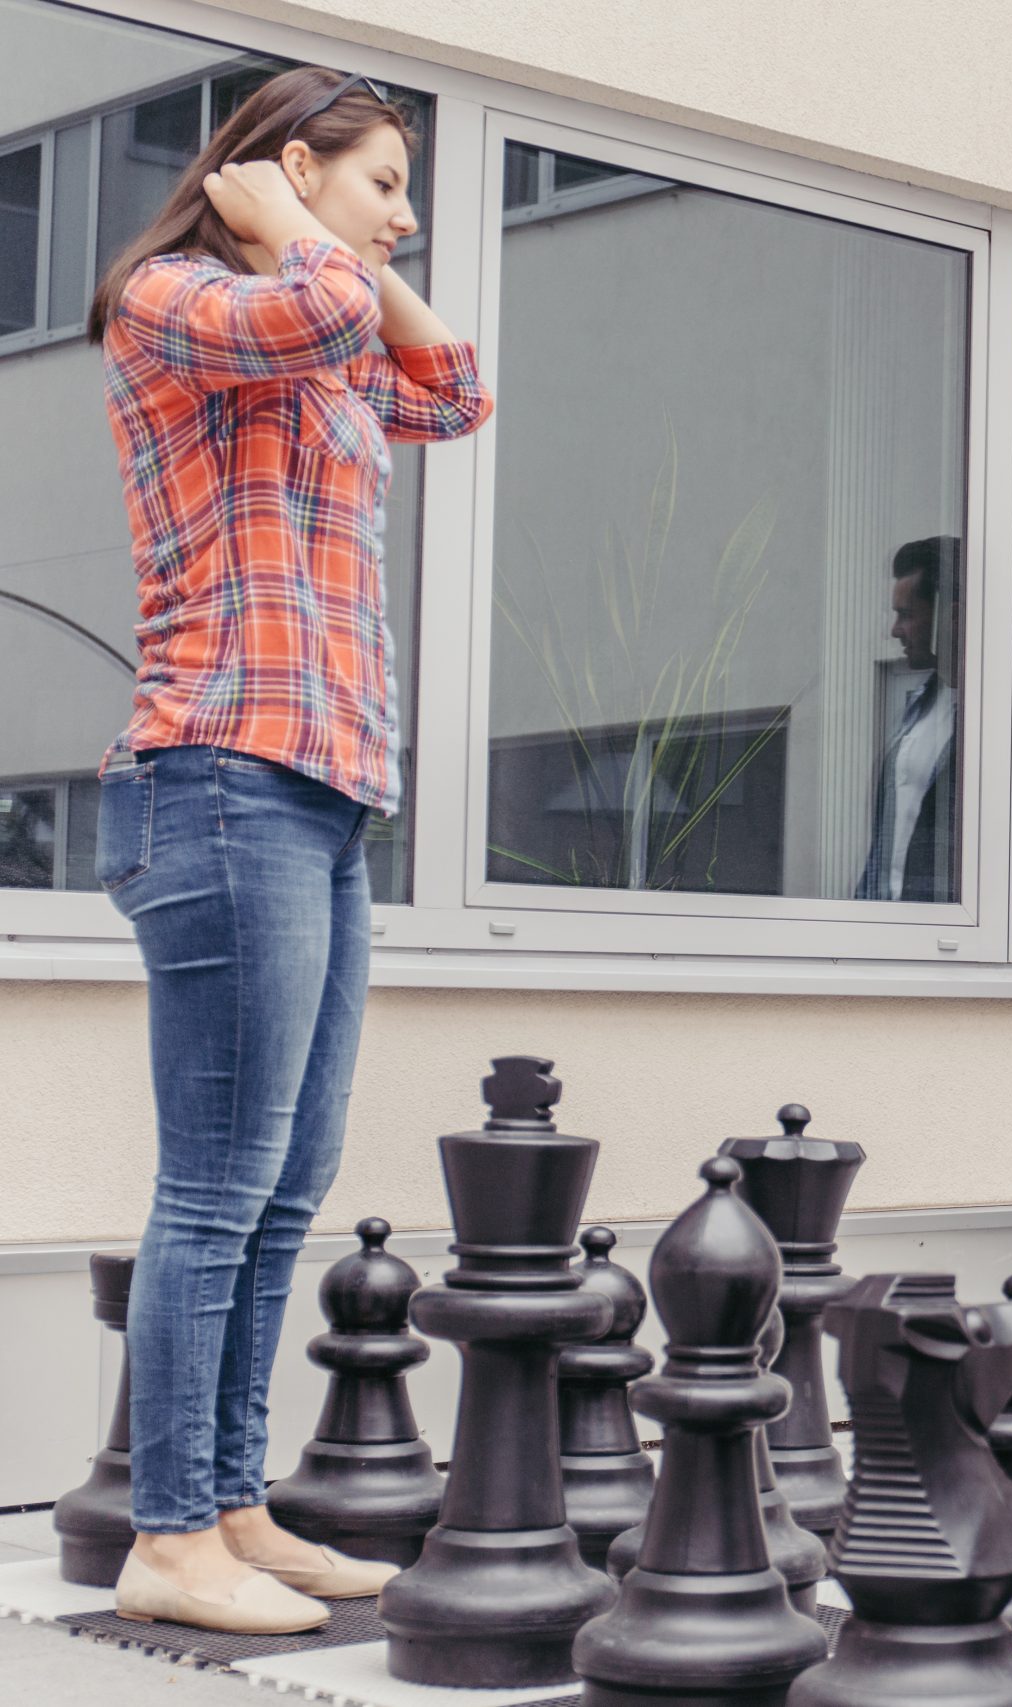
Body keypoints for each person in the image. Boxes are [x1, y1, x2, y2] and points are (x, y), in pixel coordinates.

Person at [85, 66, 493, 1635]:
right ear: (295, 166)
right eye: (384, 182)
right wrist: (273, 215)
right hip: (219, 775)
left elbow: (451, 391)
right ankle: (168, 1533)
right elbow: (322, 320)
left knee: (283, 1182)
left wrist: (329, 230)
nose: (400, 220)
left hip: (317, 792)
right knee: (218, 1185)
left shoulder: (316, 328)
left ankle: (231, 1502)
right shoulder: (177, 298)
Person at [856, 534, 963, 904]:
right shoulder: (920, 705)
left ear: (950, 616)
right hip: (890, 934)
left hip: (943, 946)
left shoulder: (995, 724)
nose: (895, 630)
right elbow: (885, 851)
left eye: (906, 614)